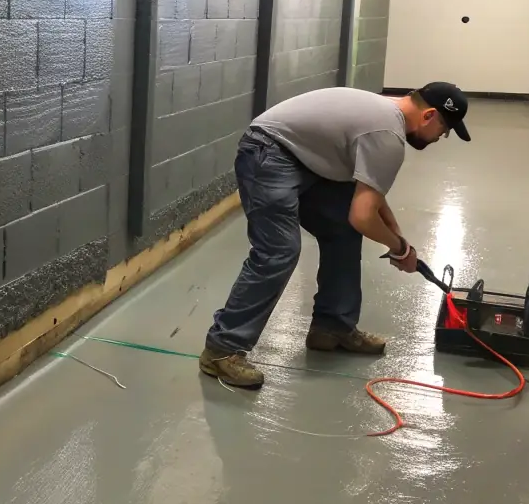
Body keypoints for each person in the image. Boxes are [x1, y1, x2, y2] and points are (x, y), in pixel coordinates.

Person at [201, 82, 471, 388]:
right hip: (269, 152)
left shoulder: (385, 114)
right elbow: (363, 216)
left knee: (342, 229)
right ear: (429, 115)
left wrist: (400, 242)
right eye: (444, 128)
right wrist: (399, 249)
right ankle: (222, 349)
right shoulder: (388, 135)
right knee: (279, 250)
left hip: (302, 157)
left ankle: (332, 326)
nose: (441, 136)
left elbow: (371, 194)